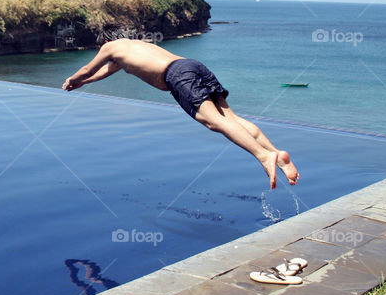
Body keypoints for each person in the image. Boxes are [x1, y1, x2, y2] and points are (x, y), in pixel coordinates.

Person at [62, 38, 299, 188]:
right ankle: (277, 154)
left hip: (176, 76)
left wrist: (73, 79)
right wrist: (86, 83)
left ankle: (264, 156)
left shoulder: (109, 47)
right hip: (193, 66)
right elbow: (104, 71)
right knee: (231, 119)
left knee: (214, 122)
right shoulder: (133, 47)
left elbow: (87, 68)